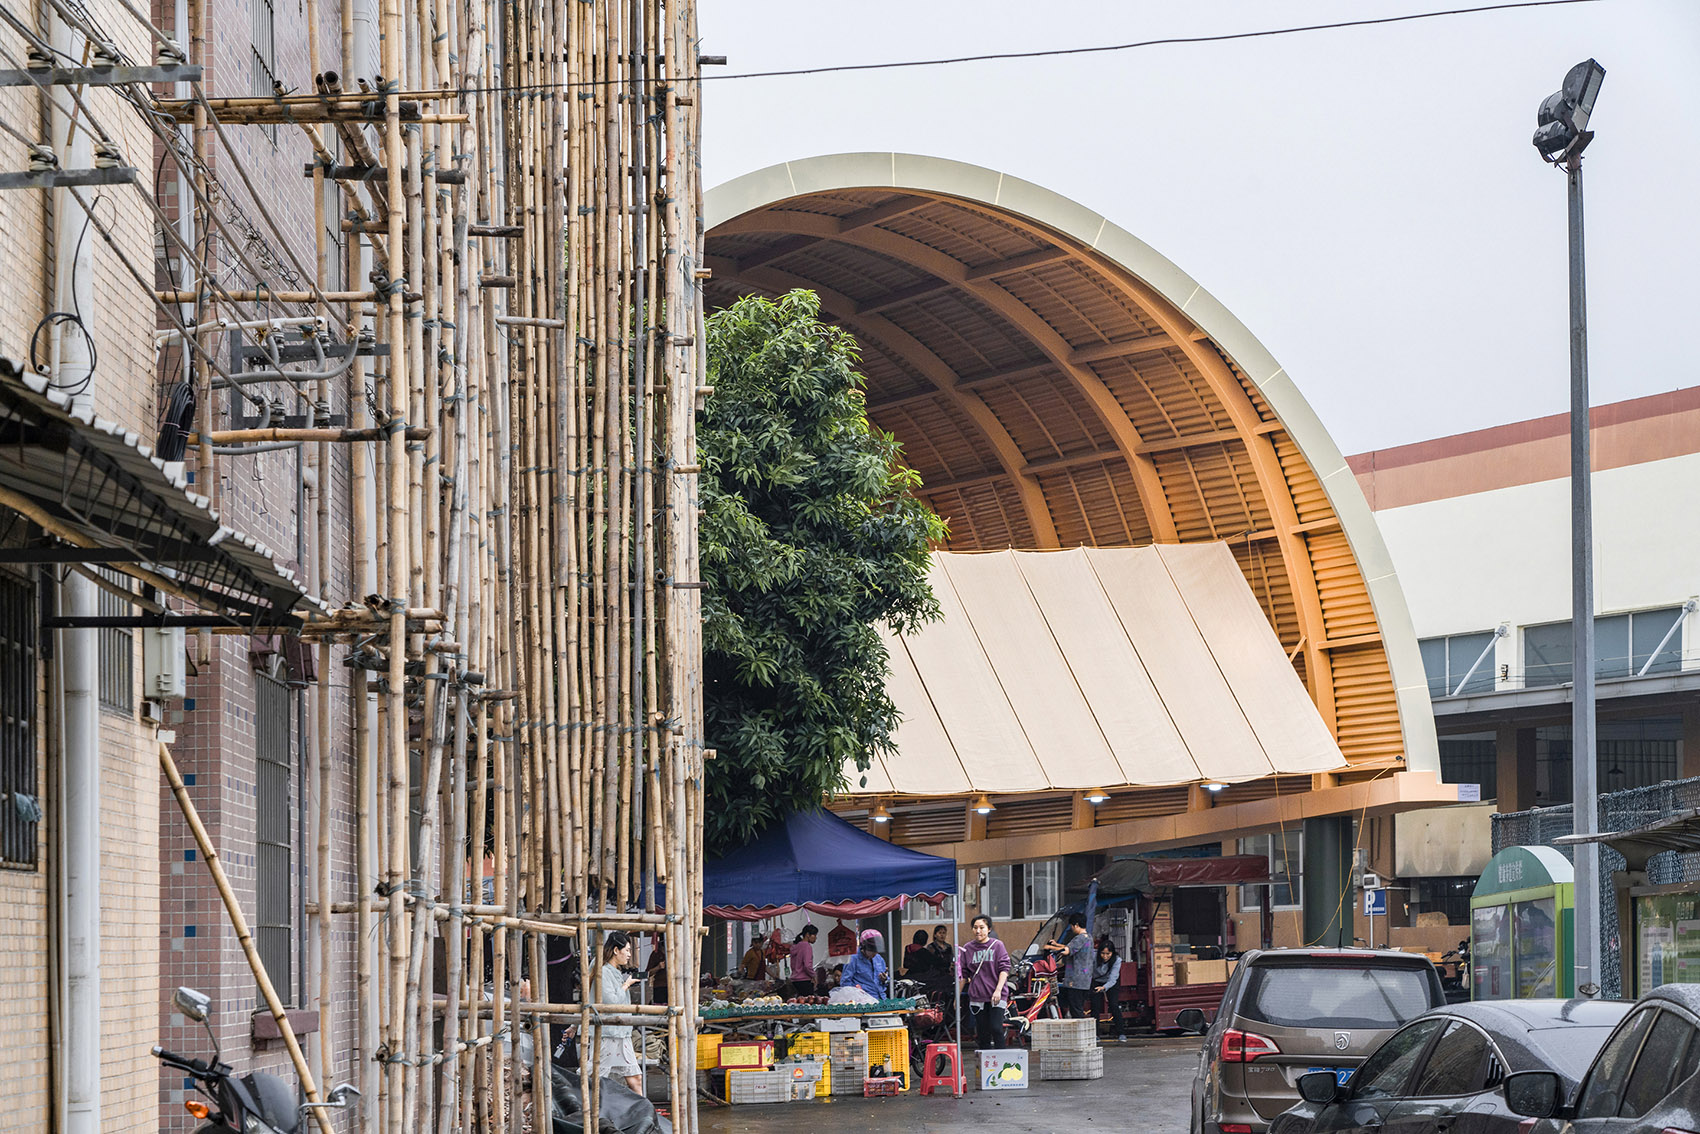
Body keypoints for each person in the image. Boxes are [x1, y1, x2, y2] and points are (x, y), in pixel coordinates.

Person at [956, 914, 1011, 1050]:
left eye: (982, 927)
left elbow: (1004, 969)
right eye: (975, 928)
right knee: (982, 1033)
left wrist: (998, 990)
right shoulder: (967, 948)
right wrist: (956, 997)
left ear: (989, 929)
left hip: (996, 995)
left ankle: (1001, 1064)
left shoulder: (997, 946)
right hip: (977, 996)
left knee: (996, 1028)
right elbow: (963, 974)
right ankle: (986, 1068)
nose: (978, 931)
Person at [597, 931, 642, 1094]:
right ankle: (591, 1110)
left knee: (636, 1078)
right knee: (596, 1078)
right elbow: (612, 1002)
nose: (629, 955)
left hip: (621, 1033)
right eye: (627, 950)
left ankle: (644, 1114)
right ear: (616, 950)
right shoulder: (604, 971)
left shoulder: (613, 971)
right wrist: (626, 984)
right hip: (608, 1033)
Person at [1045, 913, 1093, 1019]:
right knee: (1077, 1008)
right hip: (1084, 981)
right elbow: (1072, 947)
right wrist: (1057, 945)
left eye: (1071, 926)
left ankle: (1080, 1034)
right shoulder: (1088, 937)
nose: (1071, 928)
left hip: (1076, 982)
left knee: (1076, 1010)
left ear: (1076, 925)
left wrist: (1049, 947)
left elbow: (1067, 950)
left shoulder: (1079, 938)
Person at [1090, 941, 1124, 1040]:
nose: (1105, 956)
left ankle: (1121, 1032)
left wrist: (1104, 987)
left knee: (1113, 1005)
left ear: (1112, 953)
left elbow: (1113, 978)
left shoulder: (1117, 960)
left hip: (1111, 983)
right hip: (1096, 981)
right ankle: (1095, 1034)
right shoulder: (1093, 956)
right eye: (1102, 953)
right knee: (1095, 1007)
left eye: (1108, 954)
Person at [840, 930, 889, 999]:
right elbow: (845, 982)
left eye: (876, 951)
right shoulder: (853, 958)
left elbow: (886, 979)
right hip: (863, 1000)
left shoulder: (879, 959)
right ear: (863, 947)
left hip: (881, 998)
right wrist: (856, 995)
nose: (874, 953)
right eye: (872, 951)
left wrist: (884, 979)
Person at [789, 924, 820, 996]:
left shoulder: (796, 946)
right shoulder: (806, 946)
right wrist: (814, 975)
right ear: (807, 935)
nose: (815, 938)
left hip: (795, 980)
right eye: (814, 935)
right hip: (804, 980)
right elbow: (807, 965)